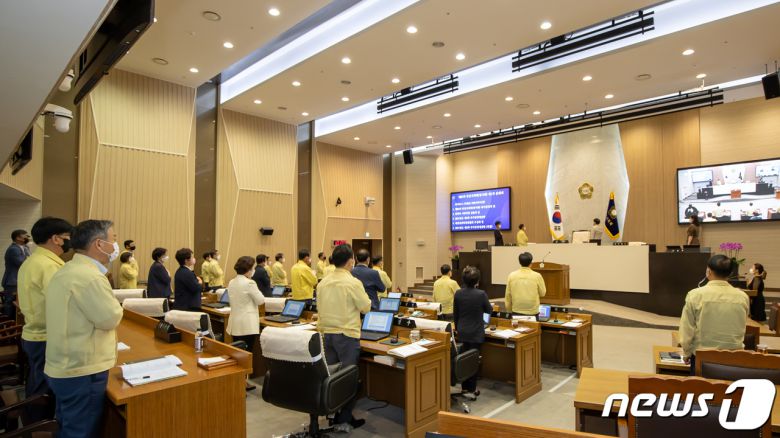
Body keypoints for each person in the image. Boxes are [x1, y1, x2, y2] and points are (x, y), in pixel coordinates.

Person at [44, 219, 123, 438]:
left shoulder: (69, 269)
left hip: (65, 364)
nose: (115, 245)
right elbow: (111, 317)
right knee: (80, 432)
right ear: (99, 244)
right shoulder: (89, 277)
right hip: (82, 371)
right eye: (113, 239)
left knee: (68, 425)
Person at [316, 244, 370, 433]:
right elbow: (365, 307)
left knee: (332, 377)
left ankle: (333, 413)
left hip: (326, 335)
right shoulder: (352, 283)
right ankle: (344, 419)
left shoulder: (323, 283)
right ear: (350, 262)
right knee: (347, 379)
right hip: (346, 335)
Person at [17, 217, 72, 401]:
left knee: (37, 380)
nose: (70, 241)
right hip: (46, 337)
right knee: (42, 390)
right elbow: (62, 303)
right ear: (56, 239)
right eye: (67, 237)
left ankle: (30, 416)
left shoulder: (33, 260)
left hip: (34, 333)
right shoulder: (49, 265)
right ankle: (35, 419)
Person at [679, 255, 749, 374]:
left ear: (708, 271)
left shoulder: (695, 295)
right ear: (730, 273)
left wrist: (686, 353)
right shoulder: (743, 297)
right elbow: (742, 324)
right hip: (735, 358)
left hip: (703, 358)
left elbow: (687, 329)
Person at [453, 267, 492, 396]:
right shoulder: (481, 294)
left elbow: (456, 314)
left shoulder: (458, 293)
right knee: (473, 360)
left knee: (464, 360)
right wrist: (483, 320)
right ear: (477, 281)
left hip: (462, 331)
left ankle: (464, 388)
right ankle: (472, 389)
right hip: (476, 332)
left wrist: (458, 329)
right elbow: (489, 310)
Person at [226, 256, 265, 352]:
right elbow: (260, 300)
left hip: (235, 324)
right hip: (247, 325)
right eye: (253, 268)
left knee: (238, 352)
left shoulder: (231, 282)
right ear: (248, 270)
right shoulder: (250, 283)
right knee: (247, 353)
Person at [505, 252, 547, 316]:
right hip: (533, 312)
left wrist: (509, 311)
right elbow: (542, 293)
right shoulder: (537, 276)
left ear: (520, 262)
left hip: (516, 311)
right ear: (531, 263)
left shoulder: (511, 275)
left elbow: (508, 296)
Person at [3, 229, 31, 319]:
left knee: (18, 304)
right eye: (26, 236)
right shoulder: (13, 249)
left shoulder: (25, 247)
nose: (28, 238)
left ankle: (15, 322)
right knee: (10, 304)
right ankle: (8, 324)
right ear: (18, 238)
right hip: (12, 281)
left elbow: (30, 260)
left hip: (20, 280)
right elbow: (23, 263)